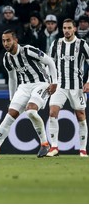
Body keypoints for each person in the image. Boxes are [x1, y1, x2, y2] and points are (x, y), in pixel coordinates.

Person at [0, 29, 57, 158]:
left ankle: (45, 144)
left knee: (31, 111)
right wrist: (12, 98)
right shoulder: (7, 58)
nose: (6, 43)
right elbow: (12, 78)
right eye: (3, 41)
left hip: (41, 83)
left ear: (15, 40)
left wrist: (54, 82)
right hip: (24, 87)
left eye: (8, 40)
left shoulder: (28, 50)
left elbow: (50, 61)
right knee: (9, 115)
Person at [46, 18, 89, 157]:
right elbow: (49, 63)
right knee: (52, 112)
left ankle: (82, 149)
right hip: (60, 85)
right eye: (64, 28)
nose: (66, 30)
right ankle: (54, 147)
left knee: (81, 116)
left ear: (74, 29)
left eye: (69, 28)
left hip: (77, 86)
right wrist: (50, 81)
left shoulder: (82, 44)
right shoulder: (56, 44)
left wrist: (88, 81)